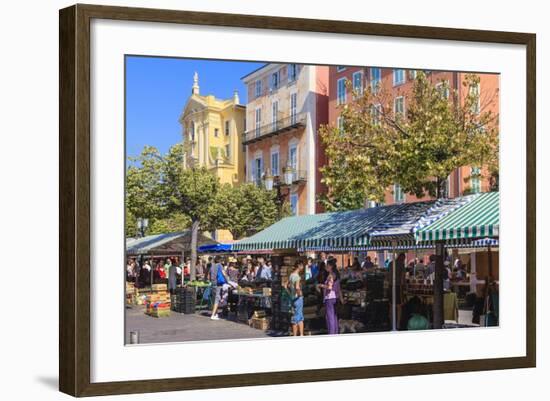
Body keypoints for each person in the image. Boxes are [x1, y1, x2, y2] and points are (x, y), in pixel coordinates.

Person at [319, 258, 345, 334]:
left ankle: (331, 333)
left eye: (327, 265)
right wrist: (341, 299)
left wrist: (321, 285)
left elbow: (329, 287)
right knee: (334, 316)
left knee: (330, 317)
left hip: (329, 298)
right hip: (335, 297)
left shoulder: (331, 276)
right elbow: (339, 289)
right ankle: (335, 333)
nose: (326, 267)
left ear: (330, 266)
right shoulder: (336, 275)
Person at [208, 256, 230, 320]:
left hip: (213, 283)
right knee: (217, 299)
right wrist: (228, 280)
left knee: (214, 298)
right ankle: (213, 315)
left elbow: (209, 274)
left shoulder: (212, 265)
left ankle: (216, 314)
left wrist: (210, 281)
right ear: (219, 260)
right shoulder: (220, 265)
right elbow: (223, 273)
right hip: (218, 283)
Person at [288, 261, 305, 336]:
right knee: (300, 317)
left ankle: (295, 335)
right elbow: (297, 287)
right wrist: (300, 294)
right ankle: (301, 335)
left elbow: (286, 285)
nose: (303, 267)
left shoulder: (291, 275)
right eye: (302, 266)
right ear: (299, 266)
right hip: (298, 299)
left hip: (292, 298)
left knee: (294, 317)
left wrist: (290, 294)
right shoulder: (297, 277)